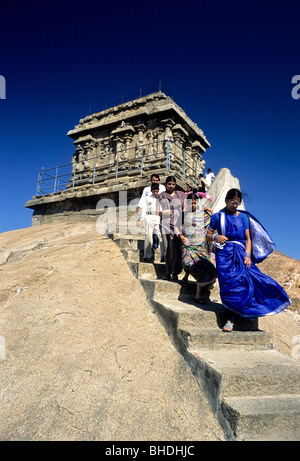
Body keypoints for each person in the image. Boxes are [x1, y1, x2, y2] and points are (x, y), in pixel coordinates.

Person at [206, 188, 291, 331]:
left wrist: (247, 255)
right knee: (228, 286)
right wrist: (215, 237)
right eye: (232, 202)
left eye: (237, 203)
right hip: (224, 255)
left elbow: (247, 238)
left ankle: (247, 312)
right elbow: (208, 235)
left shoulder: (243, 217)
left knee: (247, 282)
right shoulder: (218, 217)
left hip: (241, 253)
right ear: (226, 200)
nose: (234, 206)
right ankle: (229, 320)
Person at [179, 191, 217, 303]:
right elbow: (176, 229)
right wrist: (182, 237)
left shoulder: (203, 215)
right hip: (187, 246)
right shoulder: (183, 215)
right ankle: (189, 276)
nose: (193, 205)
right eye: (191, 203)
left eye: (195, 203)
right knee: (188, 263)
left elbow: (213, 223)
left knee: (204, 267)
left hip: (201, 246)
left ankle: (198, 295)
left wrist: (210, 210)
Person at [158, 176, 185, 281]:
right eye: (169, 184)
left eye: (173, 184)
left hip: (178, 225)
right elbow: (157, 211)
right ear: (166, 184)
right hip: (165, 225)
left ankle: (175, 272)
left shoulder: (180, 195)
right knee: (167, 249)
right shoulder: (161, 196)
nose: (171, 186)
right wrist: (165, 212)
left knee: (176, 249)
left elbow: (184, 208)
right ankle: (168, 271)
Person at [140, 183, 163, 261]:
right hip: (149, 217)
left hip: (158, 217)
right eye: (154, 191)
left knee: (161, 236)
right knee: (149, 237)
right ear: (151, 191)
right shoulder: (147, 198)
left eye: (156, 191)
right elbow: (144, 209)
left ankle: (163, 255)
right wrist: (142, 220)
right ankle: (147, 255)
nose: (155, 193)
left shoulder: (161, 198)